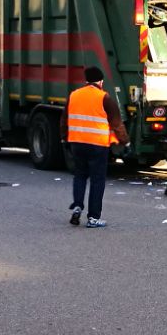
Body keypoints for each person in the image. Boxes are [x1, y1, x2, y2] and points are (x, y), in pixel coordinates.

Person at [61, 66, 128, 228]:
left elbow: (64, 119)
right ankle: (93, 218)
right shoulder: (104, 97)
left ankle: (77, 206)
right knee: (97, 181)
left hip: (77, 143)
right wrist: (125, 141)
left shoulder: (74, 95)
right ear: (101, 81)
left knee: (80, 176)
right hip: (98, 145)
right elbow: (116, 123)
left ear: (86, 80)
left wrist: (64, 139)